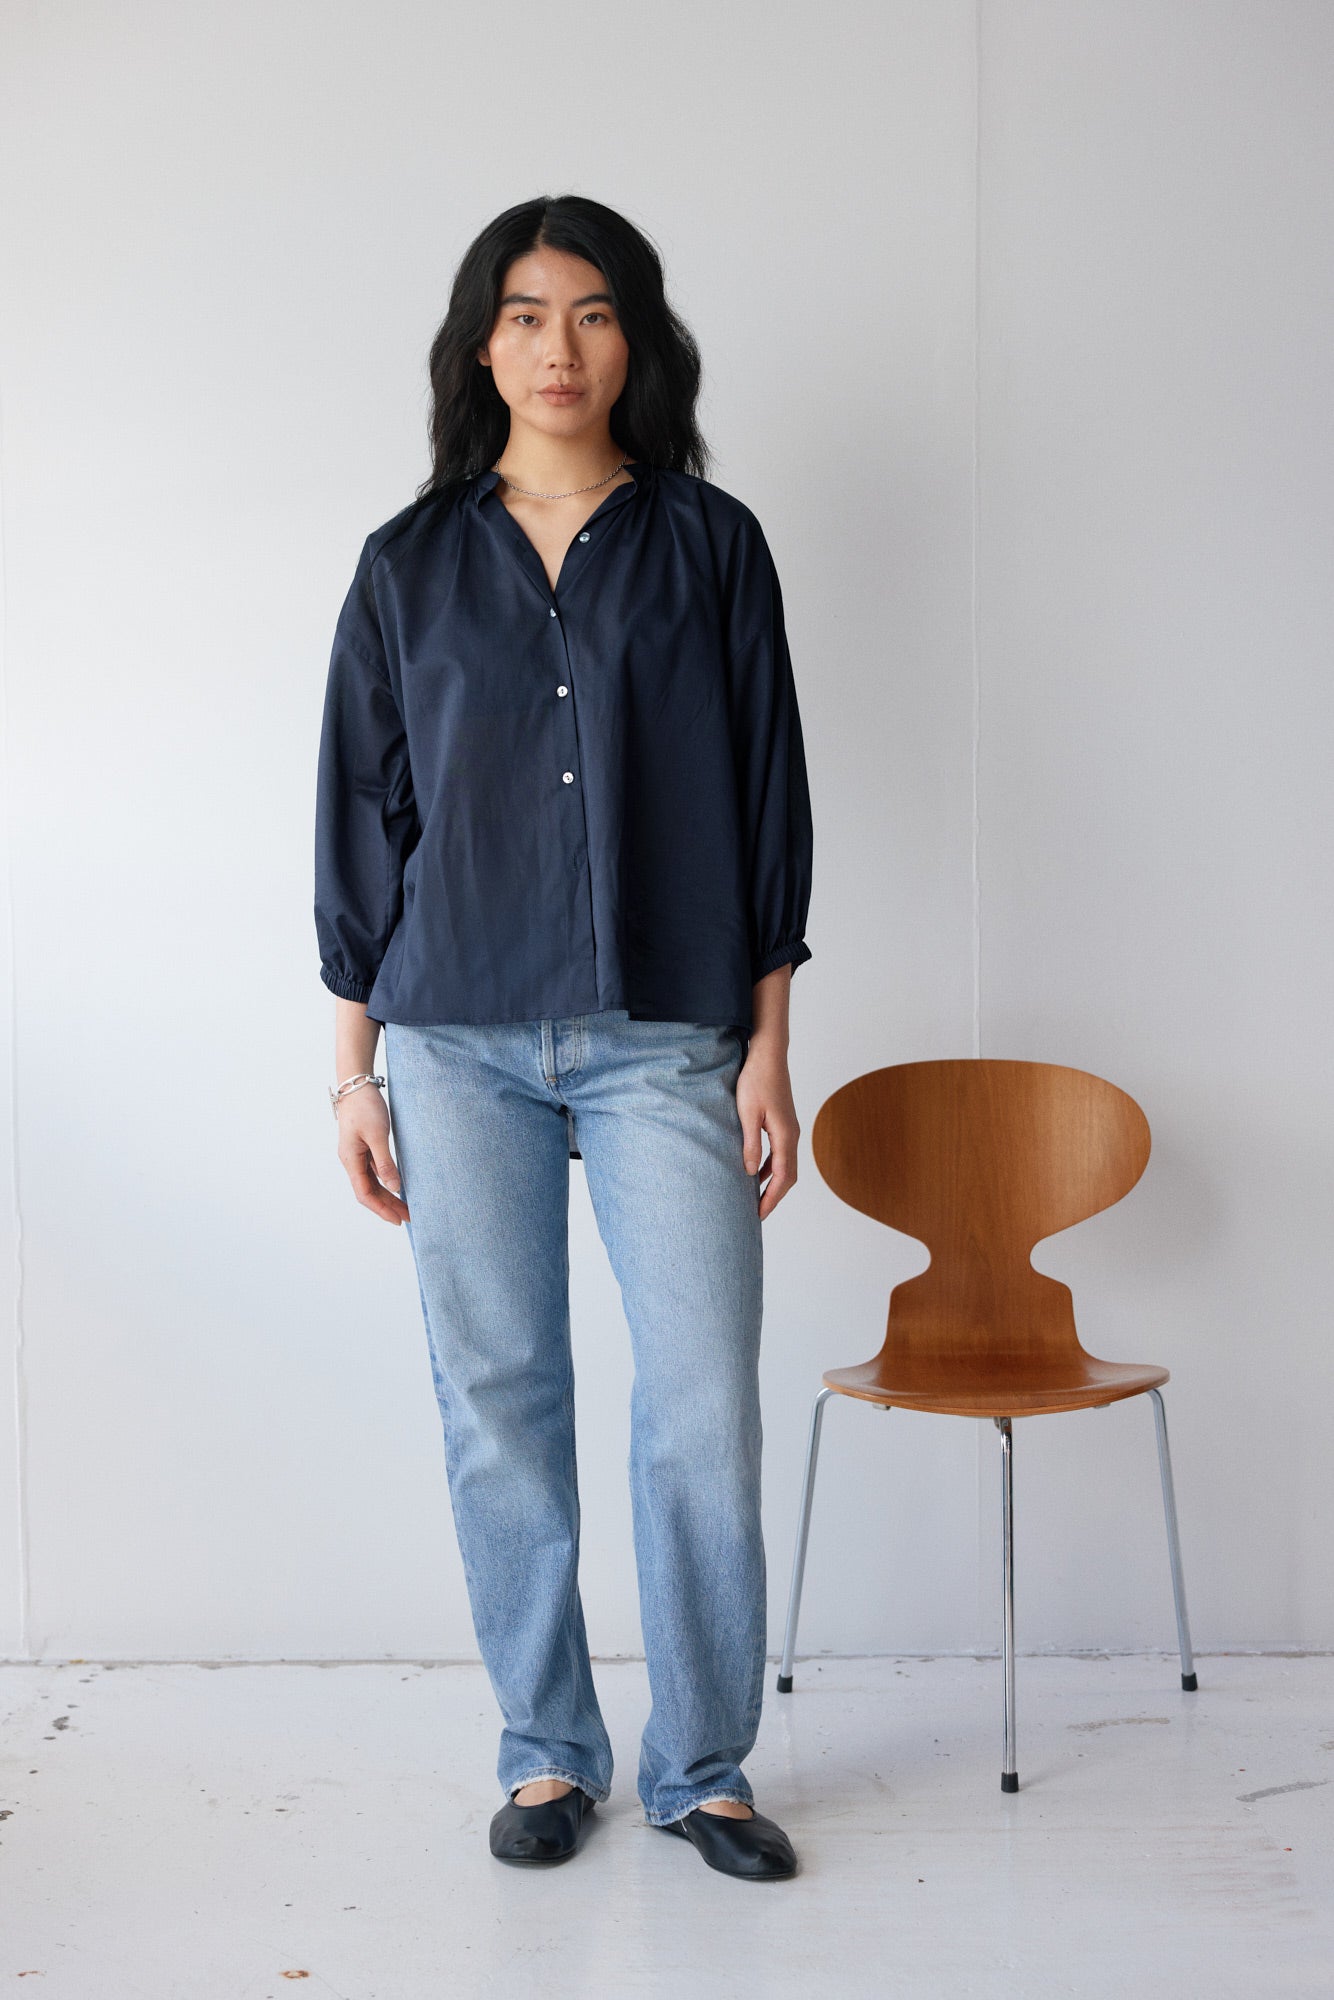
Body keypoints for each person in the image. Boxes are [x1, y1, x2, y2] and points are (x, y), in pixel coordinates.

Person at [314, 194, 814, 1882]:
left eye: (593, 313)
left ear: (635, 341)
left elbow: (766, 799)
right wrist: (351, 1070)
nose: (558, 347)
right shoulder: (406, 563)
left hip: (669, 1035)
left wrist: (768, 1045)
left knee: (700, 1405)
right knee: (499, 1399)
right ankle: (544, 1755)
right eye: (526, 314)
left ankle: (702, 1769)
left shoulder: (708, 543)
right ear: (482, 345)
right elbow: (362, 822)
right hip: (453, 1041)